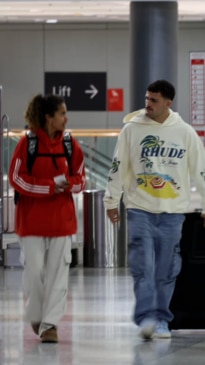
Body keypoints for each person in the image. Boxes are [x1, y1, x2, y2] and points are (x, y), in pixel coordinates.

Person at [103, 79, 205, 340]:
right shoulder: (132, 130)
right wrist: (111, 201)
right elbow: (118, 166)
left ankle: (161, 319)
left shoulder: (184, 132)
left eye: (154, 100)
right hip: (140, 209)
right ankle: (146, 317)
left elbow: (200, 171)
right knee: (142, 264)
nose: (148, 104)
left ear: (168, 103)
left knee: (167, 268)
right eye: (147, 99)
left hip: (173, 213)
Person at [9, 93, 86, 343]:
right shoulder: (27, 144)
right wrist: (49, 187)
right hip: (31, 221)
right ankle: (36, 315)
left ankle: (50, 324)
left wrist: (69, 185)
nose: (66, 118)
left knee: (58, 274)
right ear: (48, 117)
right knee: (35, 271)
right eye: (62, 113)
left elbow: (81, 178)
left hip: (62, 222)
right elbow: (16, 179)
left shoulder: (70, 143)